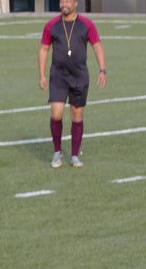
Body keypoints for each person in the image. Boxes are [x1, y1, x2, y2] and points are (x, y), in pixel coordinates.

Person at [37, 0, 107, 169]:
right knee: (56, 113)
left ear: (75, 3)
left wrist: (102, 70)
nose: (64, 4)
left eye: (68, 1)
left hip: (79, 76)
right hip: (58, 75)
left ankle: (75, 155)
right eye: (62, 1)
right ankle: (57, 152)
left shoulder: (86, 25)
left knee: (77, 115)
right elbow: (44, 49)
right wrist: (41, 75)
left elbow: (97, 46)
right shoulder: (51, 25)